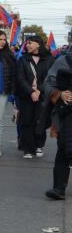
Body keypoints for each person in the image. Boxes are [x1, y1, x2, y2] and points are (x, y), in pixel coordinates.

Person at [16, 35, 54, 159]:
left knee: (41, 121)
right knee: (26, 121)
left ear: (38, 44)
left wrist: (39, 91)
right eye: (27, 43)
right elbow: (20, 78)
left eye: (30, 43)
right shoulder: (23, 59)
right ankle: (27, 148)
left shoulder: (49, 59)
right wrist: (31, 92)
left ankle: (39, 145)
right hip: (26, 96)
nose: (27, 45)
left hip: (43, 96)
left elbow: (51, 78)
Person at [44, 51, 72, 199]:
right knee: (65, 146)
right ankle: (58, 188)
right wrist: (60, 94)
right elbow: (48, 83)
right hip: (68, 111)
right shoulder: (64, 60)